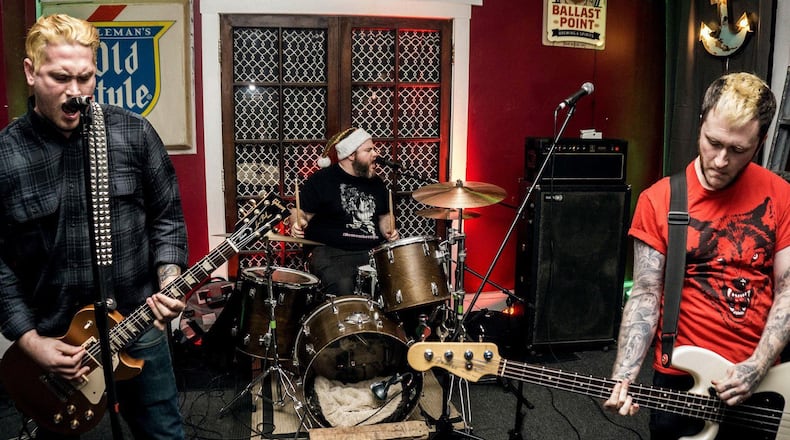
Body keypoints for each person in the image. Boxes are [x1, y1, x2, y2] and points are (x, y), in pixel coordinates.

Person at [0, 14, 188, 439]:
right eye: (59, 77)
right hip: (55, 345)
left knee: (164, 433)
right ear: (31, 73)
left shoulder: (133, 133)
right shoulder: (6, 157)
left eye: (85, 78)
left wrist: (169, 283)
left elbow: (167, 218)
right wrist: (30, 342)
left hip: (138, 324)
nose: (74, 93)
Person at [604, 72, 790, 438]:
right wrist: (624, 374)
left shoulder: (781, 196)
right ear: (700, 124)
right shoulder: (659, 200)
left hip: (761, 379)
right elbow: (645, 294)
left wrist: (757, 365)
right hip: (680, 381)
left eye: (737, 150)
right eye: (713, 142)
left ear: (761, 142)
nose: (720, 160)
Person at [289, 127, 399, 296]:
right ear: (351, 155)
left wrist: (389, 229)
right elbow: (300, 212)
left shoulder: (377, 183)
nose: (375, 154)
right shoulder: (322, 180)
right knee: (343, 285)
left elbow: (385, 215)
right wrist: (298, 222)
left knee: (399, 283)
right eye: (369, 150)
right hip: (330, 253)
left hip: (371, 252)